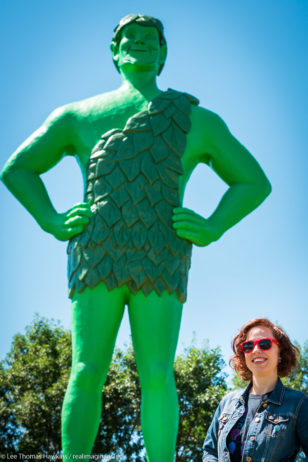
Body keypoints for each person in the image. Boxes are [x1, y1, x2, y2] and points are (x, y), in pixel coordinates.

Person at [1, 14, 271, 462]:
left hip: (162, 255)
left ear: (163, 53)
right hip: (96, 254)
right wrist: (49, 219)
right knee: (85, 370)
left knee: (158, 374)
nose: (140, 43)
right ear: (114, 51)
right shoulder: (77, 115)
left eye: (150, 39)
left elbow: (253, 182)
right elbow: (18, 169)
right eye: (130, 37)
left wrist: (213, 225)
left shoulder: (196, 120)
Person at [203, 318, 308, 462]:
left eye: (265, 344)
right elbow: (210, 451)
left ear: (280, 354)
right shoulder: (227, 403)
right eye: (248, 346)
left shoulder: (299, 404)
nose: (256, 350)